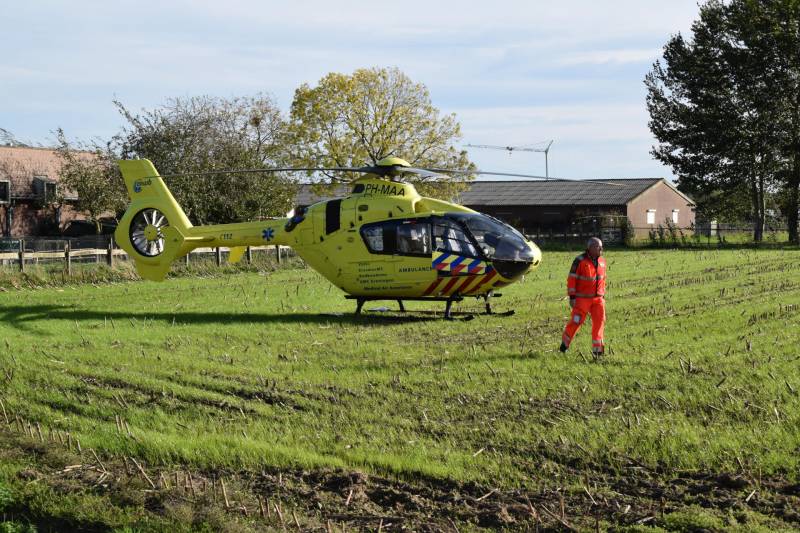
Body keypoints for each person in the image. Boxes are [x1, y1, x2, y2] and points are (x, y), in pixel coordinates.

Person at [560, 237, 606, 356]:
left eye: (601, 246)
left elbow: (603, 279)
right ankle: (564, 345)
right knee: (576, 322)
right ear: (590, 248)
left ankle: (598, 351)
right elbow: (572, 279)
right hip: (582, 299)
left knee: (599, 323)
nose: (601, 248)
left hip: (598, 299)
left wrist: (602, 295)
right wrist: (572, 297)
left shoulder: (602, 261)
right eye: (598, 246)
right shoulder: (579, 261)